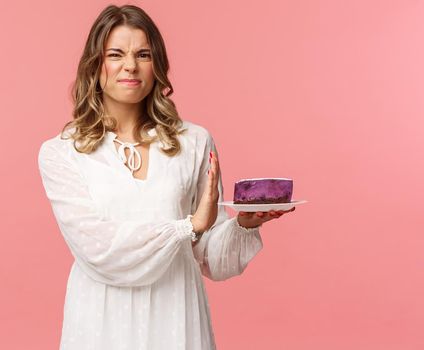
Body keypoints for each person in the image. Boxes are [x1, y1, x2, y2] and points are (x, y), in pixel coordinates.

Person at [37, 5, 294, 349]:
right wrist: (187, 226)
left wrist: (244, 224)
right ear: (94, 65)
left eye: (143, 54)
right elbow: (99, 250)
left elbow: (211, 259)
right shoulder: (62, 152)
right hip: (101, 322)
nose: (130, 65)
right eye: (116, 54)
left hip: (176, 318)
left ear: (157, 64)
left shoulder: (194, 142)